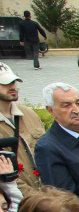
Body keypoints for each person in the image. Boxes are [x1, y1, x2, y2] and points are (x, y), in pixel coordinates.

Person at [34, 82, 79, 195]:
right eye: (66, 105)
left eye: (78, 103)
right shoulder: (48, 148)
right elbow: (65, 197)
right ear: (50, 110)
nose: (76, 110)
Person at [0, 64, 44, 195]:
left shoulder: (29, 114)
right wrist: (39, 200)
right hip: (15, 200)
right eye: (5, 83)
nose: (13, 86)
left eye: (14, 81)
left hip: (45, 195)